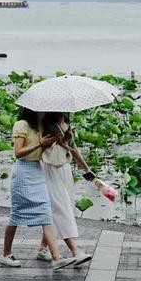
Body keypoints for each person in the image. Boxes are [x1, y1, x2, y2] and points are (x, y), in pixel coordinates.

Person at [0, 108, 77, 270]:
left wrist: (62, 139)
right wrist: (39, 144)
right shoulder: (22, 125)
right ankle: (6, 254)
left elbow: (54, 150)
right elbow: (18, 153)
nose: (44, 114)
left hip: (38, 171)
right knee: (15, 216)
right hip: (23, 171)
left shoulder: (40, 128)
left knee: (46, 213)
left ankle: (56, 258)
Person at [37, 112, 93, 266]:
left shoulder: (66, 124)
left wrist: (87, 170)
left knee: (59, 208)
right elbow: (37, 148)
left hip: (64, 169)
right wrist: (50, 141)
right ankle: (75, 251)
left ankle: (43, 248)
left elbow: (73, 149)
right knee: (61, 209)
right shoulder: (44, 124)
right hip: (49, 168)